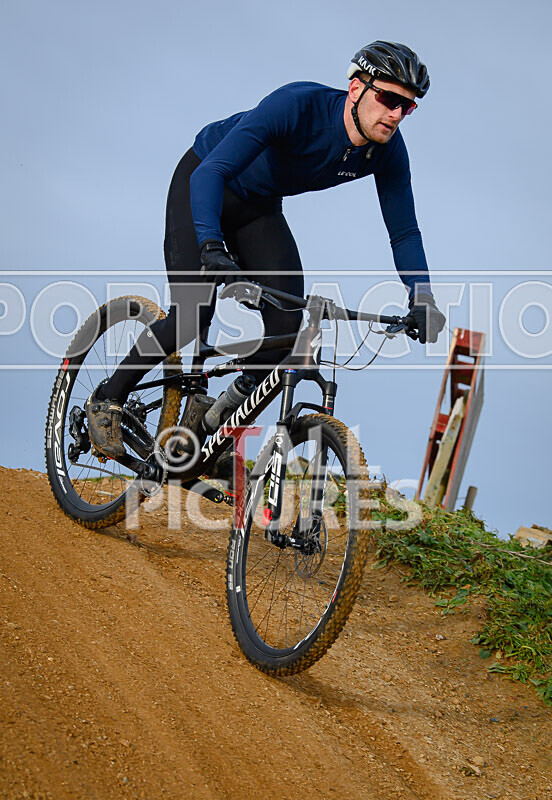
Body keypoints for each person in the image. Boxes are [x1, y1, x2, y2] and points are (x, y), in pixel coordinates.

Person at [85, 40, 446, 460]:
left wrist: (422, 297)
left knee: (287, 331)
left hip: (259, 208)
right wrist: (210, 245)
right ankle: (106, 399)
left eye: (409, 107)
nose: (397, 114)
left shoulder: (387, 151)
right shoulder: (296, 106)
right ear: (356, 89)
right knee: (192, 316)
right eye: (389, 99)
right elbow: (212, 172)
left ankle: (211, 423)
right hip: (203, 184)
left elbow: (404, 232)